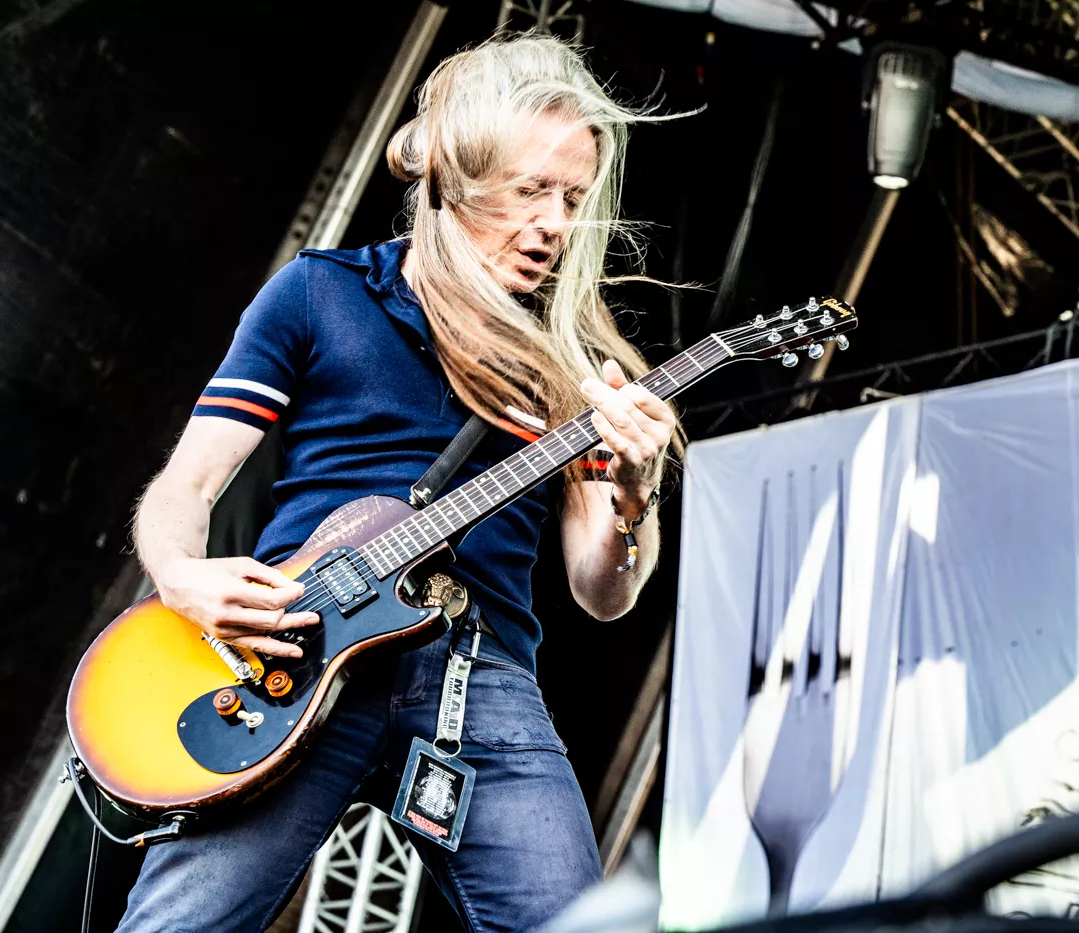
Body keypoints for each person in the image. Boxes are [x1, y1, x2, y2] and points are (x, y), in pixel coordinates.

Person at [116, 32, 680, 933]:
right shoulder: (318, 294)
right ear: (454, 175)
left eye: (573, 198)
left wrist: (633, 493)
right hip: (295, 653)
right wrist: (184, 579)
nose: (555, 225)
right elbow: (184, 488)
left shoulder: (576, 366)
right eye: (531, 190)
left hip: (480, 673)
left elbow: (601, 592)